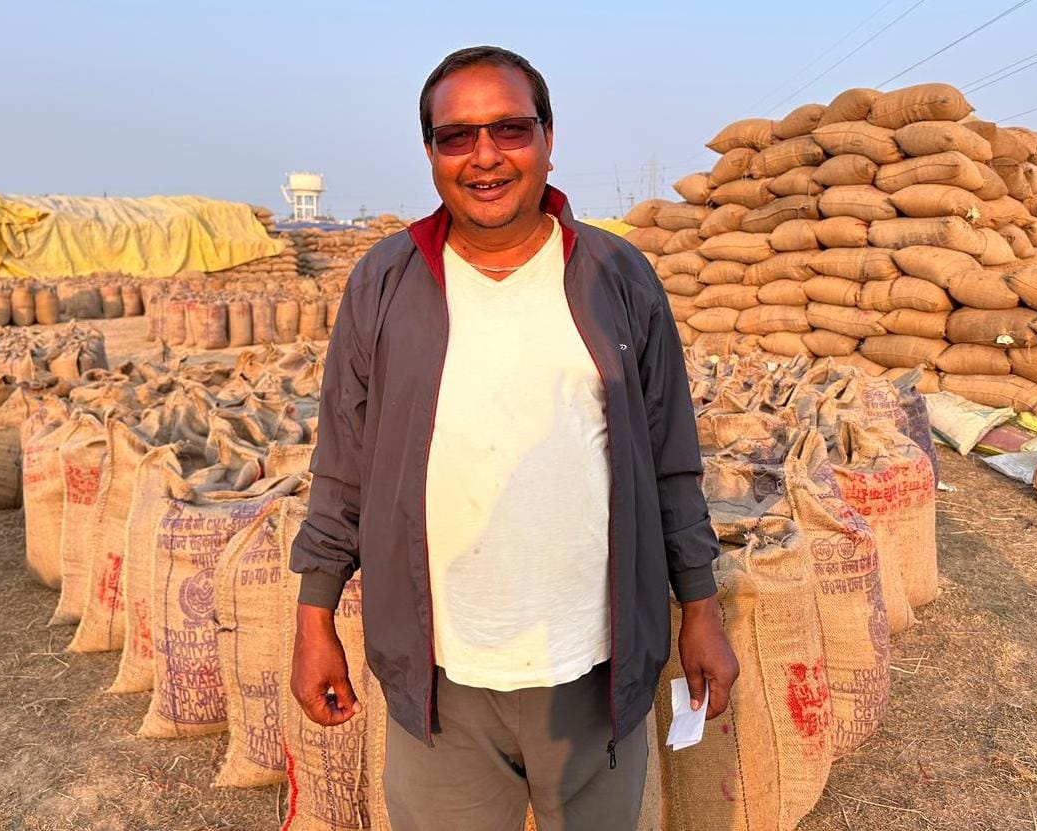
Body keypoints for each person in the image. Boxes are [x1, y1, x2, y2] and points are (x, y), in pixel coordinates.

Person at [289, 45, 738, 831]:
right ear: (430, 152)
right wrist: (313, 618)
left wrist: (699, 605)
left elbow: (670, 459)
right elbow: (344, 468)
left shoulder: (616, 277)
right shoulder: (384, 283)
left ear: (548, 138)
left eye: (509, 128)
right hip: (441, 682)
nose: (485, 156)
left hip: (593, 671)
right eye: (456, 136)